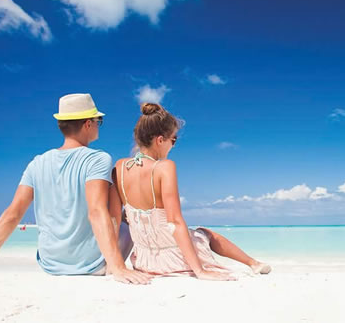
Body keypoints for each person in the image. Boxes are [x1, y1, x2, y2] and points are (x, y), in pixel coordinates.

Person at [0, 94, 150, 285]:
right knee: (125, 215)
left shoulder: (37, 162)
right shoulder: (98, 159)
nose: (98, 125)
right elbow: (96, 211)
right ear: (87, 124)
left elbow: (13, 214)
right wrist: (118, 268)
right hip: (90, 266)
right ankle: (122, 264)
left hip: (51, 265)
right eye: (98, 121)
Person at [110, 102, 271, 281]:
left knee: (194, 232)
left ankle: (254, 263)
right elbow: (175, 222)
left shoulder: (120, 167)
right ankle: (253, 263)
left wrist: (116, 266)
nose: (173, 145)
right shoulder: (164, 168)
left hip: (143, 261)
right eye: (174, 139)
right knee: (205, 233)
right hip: (175, 259)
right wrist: (200, 271)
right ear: (160, 140)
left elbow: (115, 219)